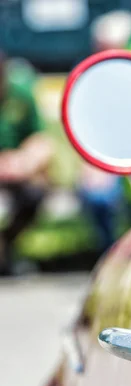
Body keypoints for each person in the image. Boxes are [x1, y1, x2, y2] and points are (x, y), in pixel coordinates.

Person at [0, 53, 53, 274]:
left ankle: (7, 247)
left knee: (34, 193)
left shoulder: (20, 93)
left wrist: (25, 161)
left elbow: (41, 140)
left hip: (13, 171)